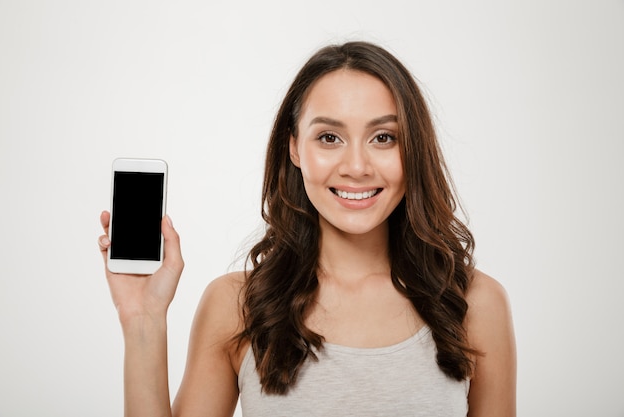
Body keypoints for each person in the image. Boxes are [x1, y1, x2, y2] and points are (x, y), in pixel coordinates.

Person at [98, 41, 516, 417]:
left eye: (384, 137)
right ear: (294, 147)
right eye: (330, 137)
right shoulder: (236, 305)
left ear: (414, 148)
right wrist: (142, 320)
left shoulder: (476, 304)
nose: (356, 167)